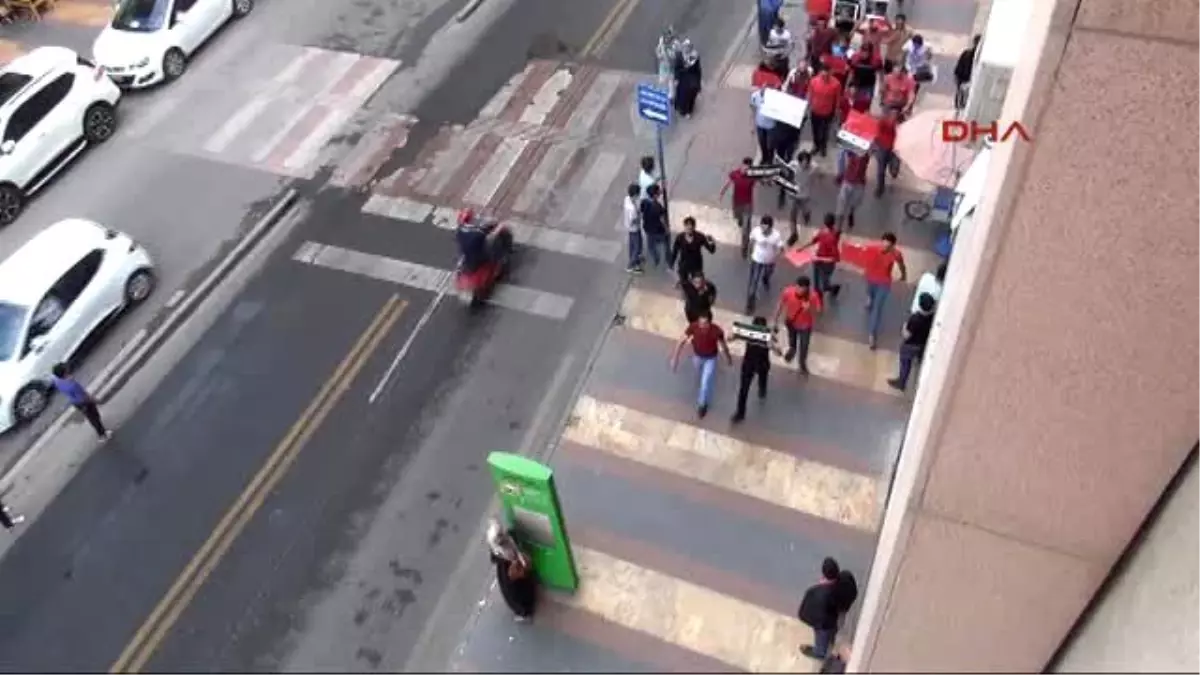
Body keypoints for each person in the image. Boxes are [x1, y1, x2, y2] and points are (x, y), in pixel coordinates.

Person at [670, 311, 733, 418]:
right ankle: (702, 391)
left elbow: (723, 345)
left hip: (710, 358)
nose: (702, 326)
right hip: (697, 356)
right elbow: (681, 341)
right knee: (699, 372)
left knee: (705, 382)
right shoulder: (693, 327)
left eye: (704, 324)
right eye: (700, 323)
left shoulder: (716, 331)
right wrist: (675, 358)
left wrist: (728, 358)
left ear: (709, 323)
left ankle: (702, 405)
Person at [862, 232, 908, 350]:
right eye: (884, 243)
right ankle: (869, 298)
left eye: (888, 245)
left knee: (877, 309)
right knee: (871, 295)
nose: (885, 246)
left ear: (892, 245)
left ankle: (872, 335)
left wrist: (903, 275)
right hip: (870, 278)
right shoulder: (873, 248)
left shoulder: (896, 254)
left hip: (884, 283)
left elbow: (902, 265)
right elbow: (862, 256)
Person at [731, 316, 780, 423]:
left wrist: (772, 346)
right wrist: (732, 336)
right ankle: (740, 412)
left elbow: (779, 353)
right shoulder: (748, 335)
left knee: (762, 380)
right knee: (743, 389)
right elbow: (731, 338)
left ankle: (762, 390)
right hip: (749, 364)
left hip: (762, 364)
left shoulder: (768, 337)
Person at [486, 519, 536, 621]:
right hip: (521, 597)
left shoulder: (500, 554)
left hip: (514, 589)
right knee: (520, 593)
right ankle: (525, 612)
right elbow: (524, 571)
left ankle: (523, 612)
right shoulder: (510, 566)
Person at [774, 275, 822, 376]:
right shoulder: (788, 292)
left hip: (805, 326)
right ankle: (792, 349)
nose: (799, 290)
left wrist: (810, 309)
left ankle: (802, 364)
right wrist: (775, 320)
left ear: (807, 288)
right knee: (792, 339)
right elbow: (780, 304)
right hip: (791, 322)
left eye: (802, 288)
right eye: (798, 287)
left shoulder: (813, 296)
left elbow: (818, 312)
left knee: (804, 346)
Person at [889, 292, 936, 391]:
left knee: (905, 363)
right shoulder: (932, 317)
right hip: (923, 344)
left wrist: (904, 327)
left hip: (911, 345)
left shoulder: (915, 319)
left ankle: (902, 382)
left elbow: (906, 335)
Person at [51, 363, 111, 440]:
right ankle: (102, 434)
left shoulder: (57, 381)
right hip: (83, 403)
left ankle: (101, 432)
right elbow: (84, 397)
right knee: (94, 417)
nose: (68, 368)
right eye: (66, 368)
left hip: (76, 402)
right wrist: (96, 401)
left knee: (91, 417)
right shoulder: (72, 384)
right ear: (64, 372)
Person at [798, 557, 843, 660]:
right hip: (831, 621)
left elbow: (807, 611)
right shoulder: (840, 587)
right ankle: (830, 643)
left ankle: (819, 653)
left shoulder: (816, 592)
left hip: (823, 625)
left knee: (821, 640)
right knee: (831, 634)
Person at [795, 213, 843, 298]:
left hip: (825, 264)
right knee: (817, 284)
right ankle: (818, 298)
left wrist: (820, 258)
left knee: (824, 284)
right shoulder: (824, 232)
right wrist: (802, 248)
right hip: (818, 261)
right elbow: (814, 240)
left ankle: (834, 288)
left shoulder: (831, 238)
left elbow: (834, 258)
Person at [719, 157, 756, 259]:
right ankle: (741, 221)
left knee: (745, 229)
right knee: (738, 219)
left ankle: (744, 247)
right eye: (745, 167)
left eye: (748, 168)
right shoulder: (735, 174)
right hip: (737, 204)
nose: (746, 169)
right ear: (742, 165)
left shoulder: (752, 176)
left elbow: (762, 179)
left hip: (748, 205)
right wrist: (722, 193)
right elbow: (728, 183)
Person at [747, 215, 785, 312]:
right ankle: (750, 303)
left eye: (765, 228)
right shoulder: (756, 231)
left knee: (768, 273)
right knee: (754, 281)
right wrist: (750, 251)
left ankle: (765, 279)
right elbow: (751, 240)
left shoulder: (776, 235)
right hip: (757, 260)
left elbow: (780, 246)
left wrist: (780, 253)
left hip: (770, 261)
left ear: (770, 227)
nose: (763, 230)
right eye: (762, 227)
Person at [806, 65, 842, 157]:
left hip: (828, 112)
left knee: (825, 131)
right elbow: (810, 94)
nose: (824, 74)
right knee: (815, 130)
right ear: (820, 72)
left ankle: (823, 146)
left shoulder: (836, 84)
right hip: (815, 110)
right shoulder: (814, 81)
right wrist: (808, 107)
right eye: (823, 72)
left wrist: (836, 111)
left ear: (830, 72)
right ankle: (816, 145)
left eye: (827, 72)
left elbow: (837, 99)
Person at [780, 150, 815, 243]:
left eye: (807, 163)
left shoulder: (813, 168)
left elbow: (820, 172)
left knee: (805, 211)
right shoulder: (793, 165)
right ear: (799, 162)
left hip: (805, 196)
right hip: (793, 195)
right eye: (803, 163)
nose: (805, 165)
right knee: (792, 215)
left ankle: (807, 215)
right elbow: (785, 171)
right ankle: (794, 234)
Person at [670, 216, 716, 287]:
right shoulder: (680, 237)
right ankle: (684, 294)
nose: (689, 229)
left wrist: (712, 242)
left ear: (694, 227)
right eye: (687, 227)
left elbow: (711, 251)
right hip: (684, 265)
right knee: (684, 284)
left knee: (697, 285)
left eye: (691, 227)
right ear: (684, 227)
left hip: (696, 265)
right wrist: (671, 264)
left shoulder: (700, 237)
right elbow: (675, 251)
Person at [835, 150, 870, 230]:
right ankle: (838, 227)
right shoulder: (849, 149)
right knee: (842, 204)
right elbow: (841, 158)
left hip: (859, 183)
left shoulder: (868, 149)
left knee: (855, 203)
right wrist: (840, 174)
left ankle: (851, 212)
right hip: (848, 180)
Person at [640, 183, 670, 267]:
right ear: (655, 195)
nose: (660, 192)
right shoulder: (657, 207)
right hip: (658, 230)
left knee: (651, 246)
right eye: (658, 192)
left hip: (648, 228)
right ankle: (666, 257)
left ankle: (656, 257)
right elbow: (662, 219)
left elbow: (642, 212)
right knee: (664, 240)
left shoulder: (644, 202)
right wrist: (667, 229)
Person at [873, 110, 900, 197]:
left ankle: (893, 175)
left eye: (896, 116)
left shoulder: (898, 124)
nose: (894, 118)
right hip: (883, 148)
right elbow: (877, 133)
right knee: (881, 170)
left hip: (893, 149)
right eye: (893, 115)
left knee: (894, 169)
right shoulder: (883, 122)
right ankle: (880, 188)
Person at [673, 39, 702, 117]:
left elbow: (698, 70)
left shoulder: (694, 56)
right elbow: (676, 68)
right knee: (680, 93)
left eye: (688, 47)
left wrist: (698, 83)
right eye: (685, 47)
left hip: (692, 76)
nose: (686, 49)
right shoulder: (679, 55)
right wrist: (676, 78)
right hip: (682, 76)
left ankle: (688, 111)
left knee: (691, 92)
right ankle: (679, 107)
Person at [750, 84, 778, 164]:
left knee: (770, 145)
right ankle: (764, 157)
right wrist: (753, 125)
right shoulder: (755, 96)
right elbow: (753, 109)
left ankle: (770, 160)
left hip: (771, 126)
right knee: (762, 143)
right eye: (763, 90)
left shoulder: (774, 98)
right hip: (760, 125)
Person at [954, 34, 982, 110]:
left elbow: (957, 70)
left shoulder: (979, 58)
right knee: (961, 106)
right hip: (965, 84)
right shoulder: (967, 54)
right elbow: (958, 70)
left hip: (968, 85)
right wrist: (959, 85)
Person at [622, 183, 643, 273]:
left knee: (632, 244)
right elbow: (633, 220)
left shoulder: (627, 199)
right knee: (637, 247)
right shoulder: (632, 209)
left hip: (629, 227)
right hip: (634, 228)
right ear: (635, 195)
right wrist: (639, 216)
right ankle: (631, 265)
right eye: (638, 194)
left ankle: (634, 258)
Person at [656, 26, 681, 92]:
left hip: (671, 69)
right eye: (666, 37)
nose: (667, 38)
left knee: (671, 85)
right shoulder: (662, 43)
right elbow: (658, 52)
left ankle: (671, 98)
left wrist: (667, 51)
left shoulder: (675, 44)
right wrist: (660, 53)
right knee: (662, 84)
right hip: (663, 67)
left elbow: (675, 56)